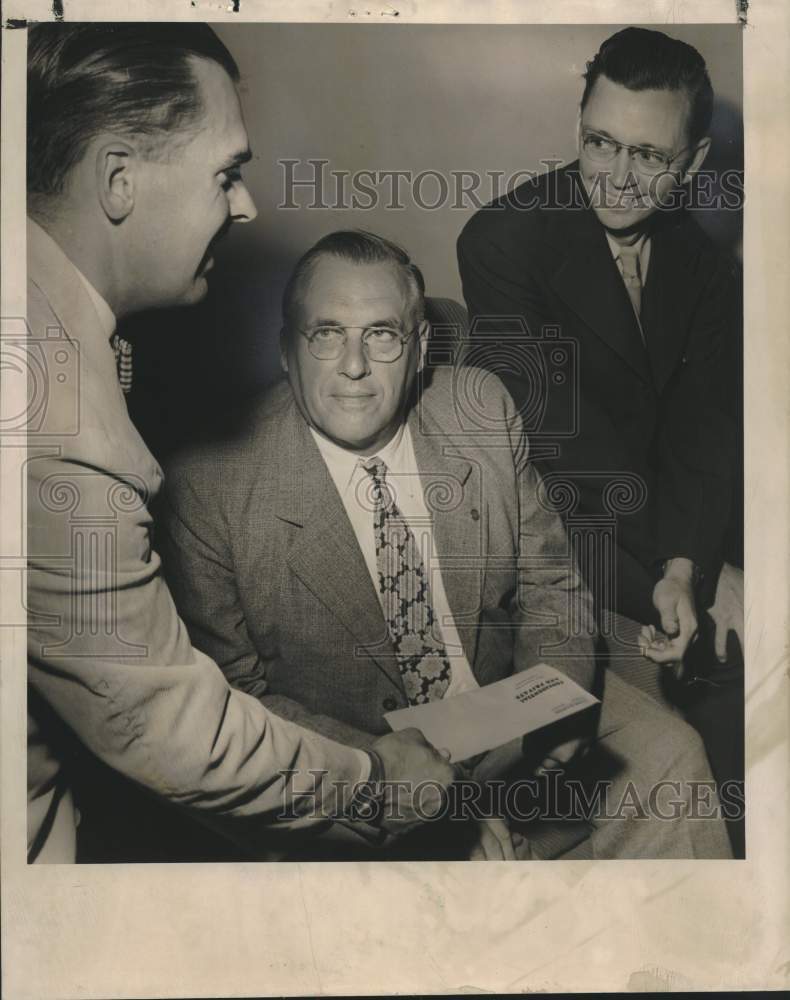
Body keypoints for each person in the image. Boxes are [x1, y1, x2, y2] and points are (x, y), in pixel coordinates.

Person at [24, 23, 455, 864]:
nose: (246, 204)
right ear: (119, 180)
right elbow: (167, 727)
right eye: (226, 173)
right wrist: (371, 779)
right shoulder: (60, 422)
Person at [160, 229, 732, 860]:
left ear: (421, 346)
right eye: (326, 334)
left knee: (674, 760)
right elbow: (237, 699)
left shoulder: (480, 408)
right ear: (287, 350)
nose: (354, 364)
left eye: (381, 334)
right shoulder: (208, 484)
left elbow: (553, 587)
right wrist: (414, 793)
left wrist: (555, 704)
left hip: (505, 705)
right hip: (360, 754)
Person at [456, 28, 743, 849]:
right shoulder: (501, 241)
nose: (617, 176)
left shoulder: (706, 267)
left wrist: (687, 565)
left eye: (648, 156)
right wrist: (665, 576)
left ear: (690, 166)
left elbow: (703, 426)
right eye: (599, 143)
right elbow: (563, 445)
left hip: (660, 536)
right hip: (559, 545)